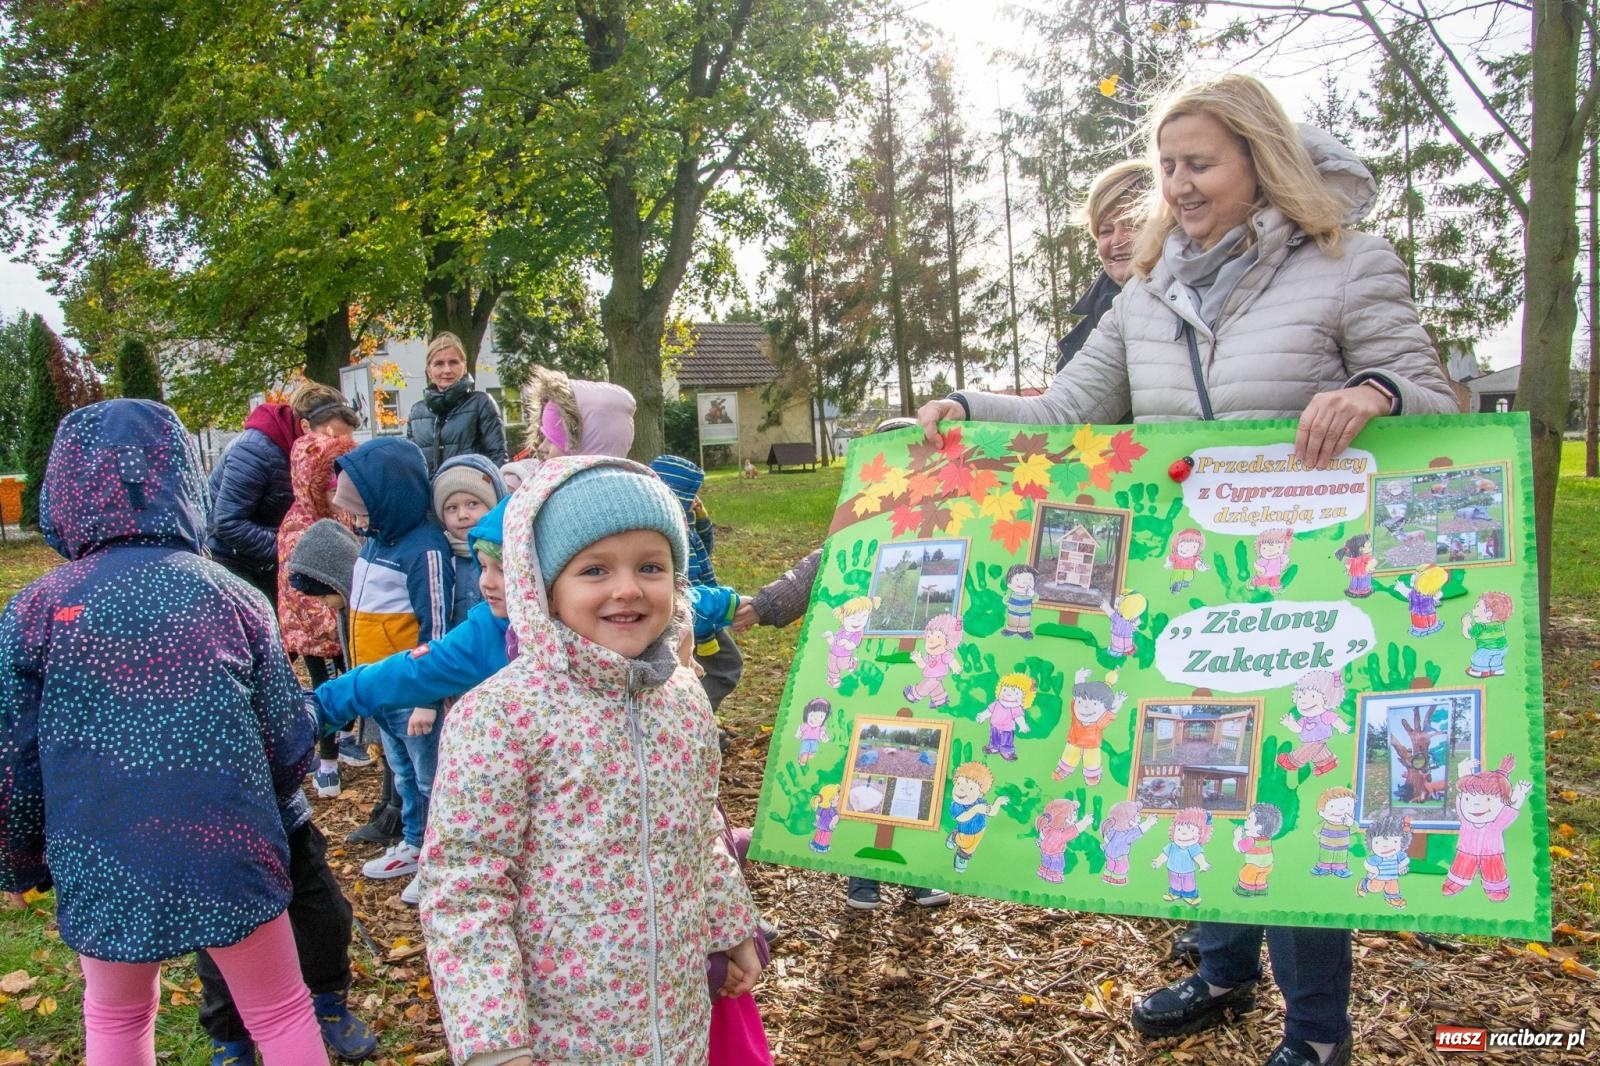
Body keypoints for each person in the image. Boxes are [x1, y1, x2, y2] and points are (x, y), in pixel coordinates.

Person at [917, 73, 1459, 1066]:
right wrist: (967, 405)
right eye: (1168, 165)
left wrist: (1375, 391)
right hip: (1188, 575)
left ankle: (1317, 1030)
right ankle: (1219, 971)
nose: (1179, 181)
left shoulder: (1347, 264)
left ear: (1259, 159)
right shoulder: (1144, 292)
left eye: (1198, 162)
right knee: (1192, 772)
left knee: (1291, 789)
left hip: (1308, 585)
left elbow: (1437, 398)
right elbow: (1067, 414)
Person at [0, 399, 328, 1065]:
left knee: (116, 1018)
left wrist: (19, 861)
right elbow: (289, 740)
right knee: (282, 1009)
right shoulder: (232, 596)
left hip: (101, 853)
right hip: (229, 848)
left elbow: (15, 761)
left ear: (64, 486)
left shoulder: (34, 611)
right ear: (180, 479)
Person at [418, 455, 765, 1064]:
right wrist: (495, 1045)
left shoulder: (682, 696)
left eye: (651, 566)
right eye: (595, 569)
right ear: (543, 585)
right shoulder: (501, 717)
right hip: (559, 1032)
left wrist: (732, 929)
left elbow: (700, 827)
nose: (627, 588)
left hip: (676, 1015)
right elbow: (464, 888)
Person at [730, 417, 951, 913]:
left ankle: (916, 864)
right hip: (865, 674)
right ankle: (862, 871)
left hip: (923, 672)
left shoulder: (950, 527)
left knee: (921, 761)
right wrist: (765, 605)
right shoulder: (863, 531)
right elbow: (815, 569)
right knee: (865, 759)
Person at [202, 518, 376, 1066]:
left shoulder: (230, 603)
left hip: (271, 802)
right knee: (226, 931)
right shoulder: (71, 620)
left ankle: (329, 1002)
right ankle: (230, 1037)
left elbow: (282, 714)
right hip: (197, 817)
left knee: (320, 906)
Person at [332, 437, 454, 907]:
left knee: (429, 777)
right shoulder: (373, 543)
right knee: (401, 774)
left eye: (362, 511)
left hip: (412, 691)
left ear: (389, 498)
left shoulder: (423, 549)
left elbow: (436, 626)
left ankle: (438, 859)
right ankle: (414, 841)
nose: (357, 521)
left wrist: (428, 695)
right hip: (380, 689)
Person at [277, 426, 363, 799]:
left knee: (348, 683)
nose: (333, 494)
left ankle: (347, 738)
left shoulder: (339, 515)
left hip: (342, 622)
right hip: (315, 634)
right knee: (325, 691)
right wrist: (328, 626)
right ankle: (327, 764)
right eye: (326, 487)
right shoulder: (296, 527)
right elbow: (299, 588)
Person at [649, 454, 745, 710]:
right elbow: (687, 593)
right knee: (725, 668)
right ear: (679, 495)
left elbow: (705, 547)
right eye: (693, 494)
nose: (697, 500)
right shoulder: (672, 543)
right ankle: (694, 715)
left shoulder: (683, 530)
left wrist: (701, 519)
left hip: (705, 614)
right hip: (698, 624)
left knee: (710, 670)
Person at [1056, 157, 1149, 376]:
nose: (1118, 240)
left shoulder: (1190, 314)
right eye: (1106, 230)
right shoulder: (1083, 337)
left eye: (1134, 225)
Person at [405, 331, 507, 472]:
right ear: (429, 370)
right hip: (428, 493)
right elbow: (411, 465)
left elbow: (498, 459)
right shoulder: (417, 412)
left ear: (464, 366)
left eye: (453, 362)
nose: (447, 370)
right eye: (439, 364)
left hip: (471, 491)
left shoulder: (481, 403)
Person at [429, 454, 507, 627]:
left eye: (472, 504)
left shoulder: (508, 550)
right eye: (452, 508)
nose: (462, 515)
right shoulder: (439, 556)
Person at [518, 364, 638, 459]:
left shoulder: (562, 487)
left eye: (553, 439)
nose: (542, 447)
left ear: (585, 441)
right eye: (544, 437)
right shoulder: (639, 482)